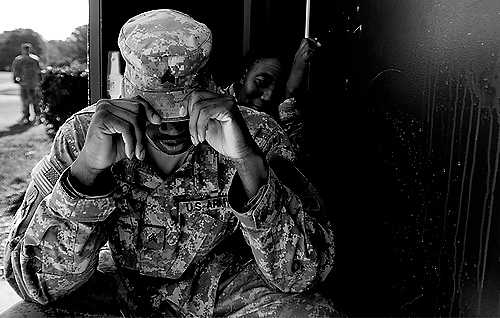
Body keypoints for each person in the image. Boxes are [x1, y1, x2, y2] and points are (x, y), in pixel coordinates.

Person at [3, 9, 339, 318]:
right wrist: (86, 172)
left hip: (218, 292)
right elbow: (34, 283)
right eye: (154, 109)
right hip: (117, 289)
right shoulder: (83, 135)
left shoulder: (256, 135)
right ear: (126, 88)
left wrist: (247, 162)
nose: (169, 125)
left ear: (210, 85)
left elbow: (302, 275)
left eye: (182, 109)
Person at [226, 38, 320, 166]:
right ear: (244, 74)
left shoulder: (278, 118)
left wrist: (290, 92)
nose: (268, 97)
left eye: (277, 90)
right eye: (261, 82)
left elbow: (293, 169)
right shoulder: (216, 107)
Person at [11, 42, 42, 125]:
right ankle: (26, 117)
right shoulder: (19, 60)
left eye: (27, 49)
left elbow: (39, 72)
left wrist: (39, 82)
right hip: (24, 84)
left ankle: (37, 117)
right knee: (25, 102)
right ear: (22, 49)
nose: (26, 50)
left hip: (34, 84)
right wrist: (15, 79)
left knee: (35, 102)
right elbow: (15, 70)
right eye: (25, 49)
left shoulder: (34, 59)